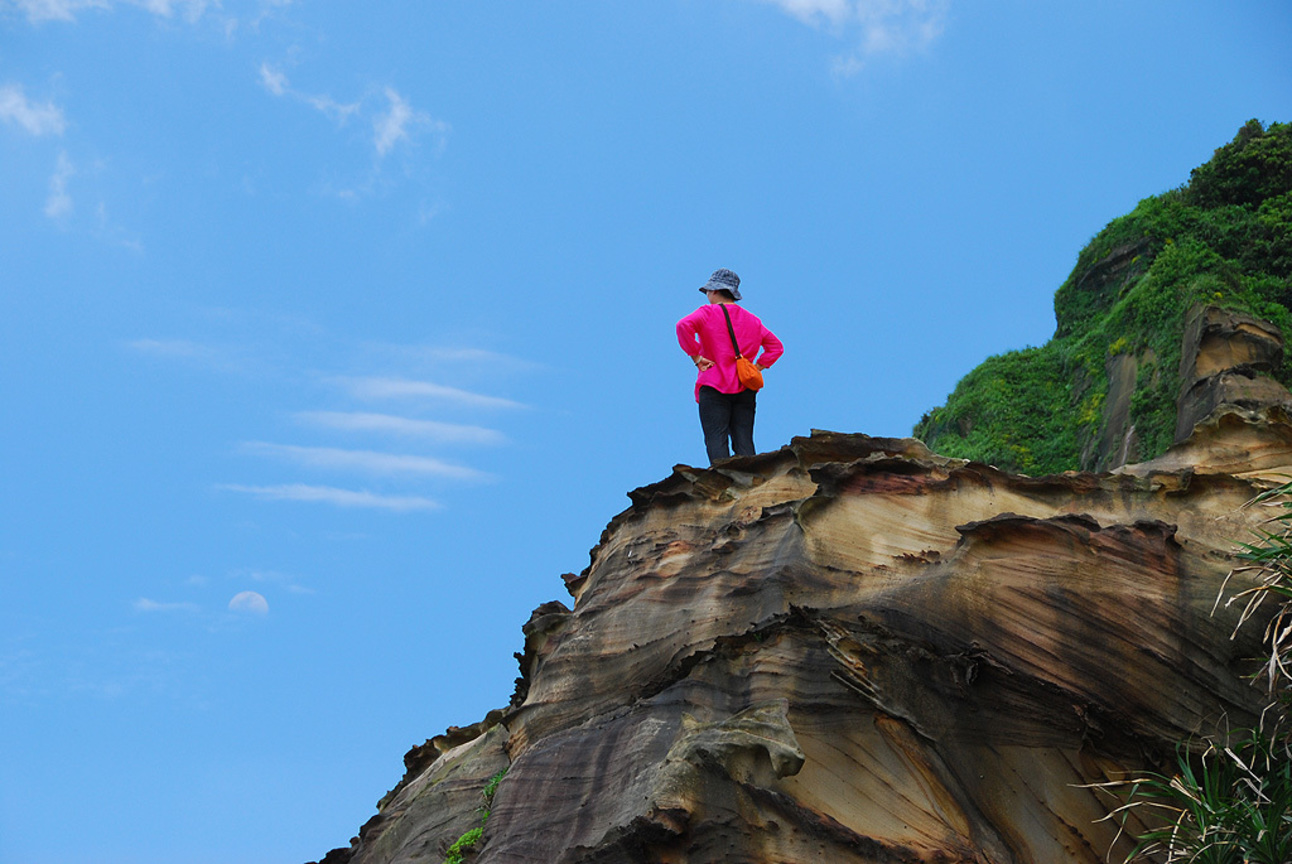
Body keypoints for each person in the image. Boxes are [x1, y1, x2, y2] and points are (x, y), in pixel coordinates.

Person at [676, 268, 784, 465]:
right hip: (745, 386)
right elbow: (776, 347)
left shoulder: (707, 313)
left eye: (708, 291)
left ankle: (722, 481)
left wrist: (697, 357)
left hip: (714, 384)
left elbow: (683, 326)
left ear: (715, 291)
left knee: (716, 437)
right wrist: (757, 367)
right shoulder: (753, 320)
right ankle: (753, 480)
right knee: (744, 439)